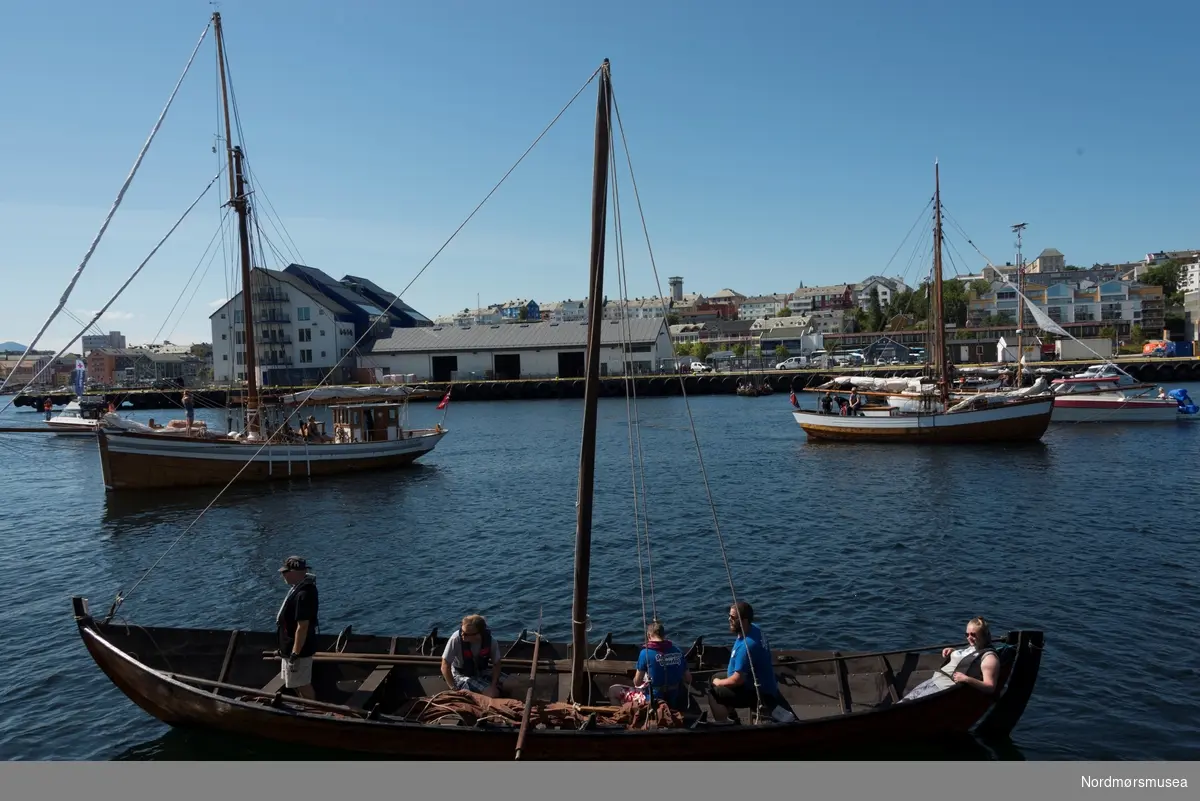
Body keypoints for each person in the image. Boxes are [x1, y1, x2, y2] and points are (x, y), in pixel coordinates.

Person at [708, 601, 780, 723]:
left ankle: (724, 725)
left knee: (714, 691)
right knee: (714, 677)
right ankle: (732, 716)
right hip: (754, 680)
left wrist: (720, 683)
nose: (729, 619)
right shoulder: (755, 629)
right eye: (729, 616)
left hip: (757, 692)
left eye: (733, 617)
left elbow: (738, 680)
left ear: (744, 621)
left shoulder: (747, 647)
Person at [899, 617, 1000, 703]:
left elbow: (990, 687)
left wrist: (967, 679)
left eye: (973, 635)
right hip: (934, 680)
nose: (969, 638)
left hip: (942, 688)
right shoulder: (973, 647)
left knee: (906, 706)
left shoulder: (989, 658)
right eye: (967, 634)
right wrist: (954, 652)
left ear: (983, 635)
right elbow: (968, 658)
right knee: (903, 701)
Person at [606, 619, 693, 711]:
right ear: (664, 635)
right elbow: (688, 679)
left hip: (653, 701)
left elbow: (637, 682)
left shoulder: (645, 653)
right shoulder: (678, 651)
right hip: (673, 698)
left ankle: (624, 716)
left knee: (613, 690)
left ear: (648, 635)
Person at [275, 555, 319, 700]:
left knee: (303, 684)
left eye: (285, 572)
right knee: (294, 682)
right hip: (288, 647)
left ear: (294, 573)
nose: (283, 575)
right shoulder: (297, 589)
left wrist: (295, 653)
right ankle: (306, 706)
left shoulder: (304, 594)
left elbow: (302, 626)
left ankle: (314, 711)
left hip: (298, 650)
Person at [441, 614, 506, 697]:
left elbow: (497, 664)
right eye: (462, 631)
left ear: (478, 634)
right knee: (493, 693)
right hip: (461, 674)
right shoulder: (456, 639)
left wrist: (494, 684)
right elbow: (445, 666)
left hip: (481, 671)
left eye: (466, 634)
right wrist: (454, 688)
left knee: (514, 683)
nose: (462, 635)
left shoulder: (491, 641)